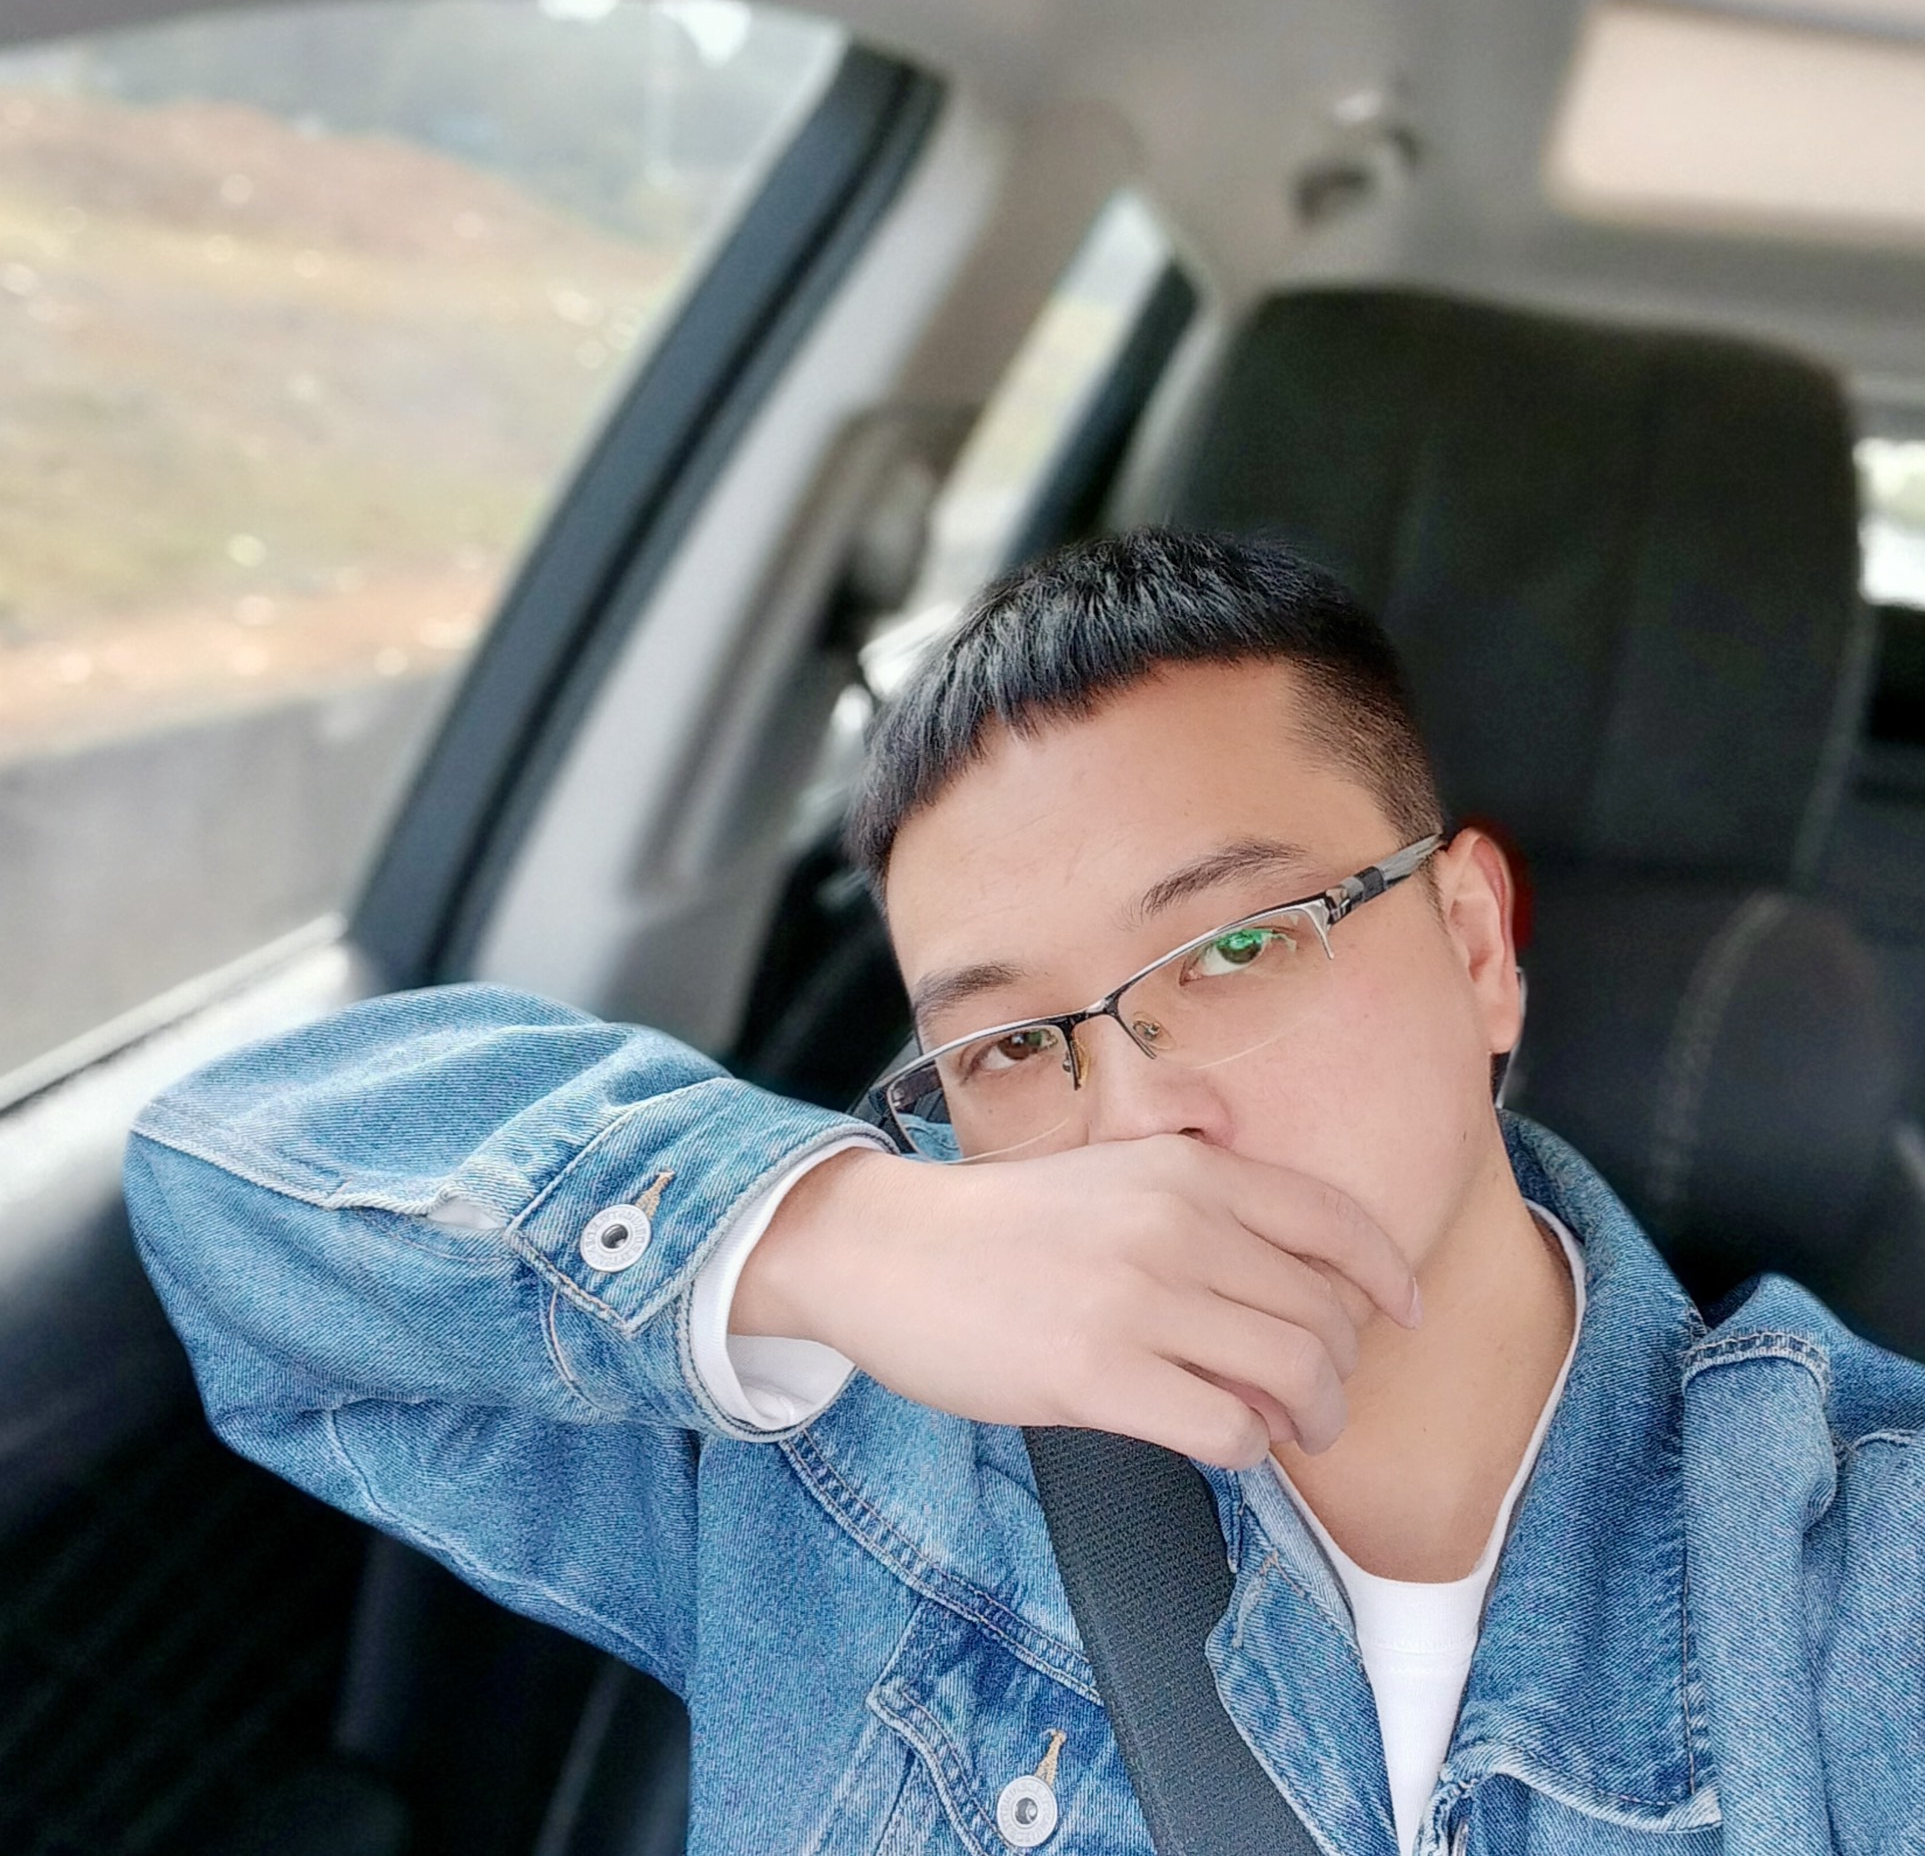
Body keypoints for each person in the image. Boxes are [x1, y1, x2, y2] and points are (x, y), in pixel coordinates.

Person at [125, 530, 1925, 1856]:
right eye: (1005, 1047)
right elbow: (224, 1179)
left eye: (1235, 946)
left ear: (1470, 945)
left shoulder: (1853, 1569)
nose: (1132, 1118)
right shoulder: (835, 1429)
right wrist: (839, 1236)